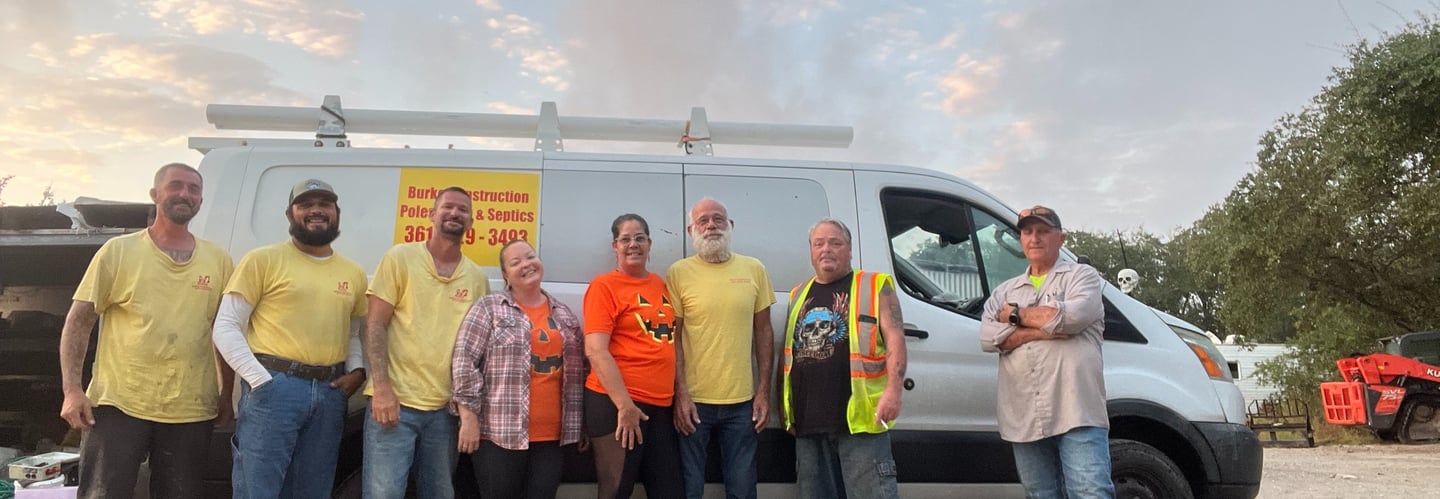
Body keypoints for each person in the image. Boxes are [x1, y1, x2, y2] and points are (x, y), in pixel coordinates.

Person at [58, 163, 233, 499]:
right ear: (155, 195)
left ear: (200, 200)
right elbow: (79, 321)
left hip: (191, 408)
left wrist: (226, 394)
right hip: (118, 405)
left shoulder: (218, 260)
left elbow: (221, 331)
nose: (185, 194)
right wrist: (72, 390)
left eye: (193, 189)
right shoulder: (119, 251)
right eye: (176, 186)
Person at [213, 178, 369, 499]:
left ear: (336, 213)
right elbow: (226, 326)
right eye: (306, 204)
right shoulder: (263, 260)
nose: (316, 210)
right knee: (259, 490)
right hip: (274, 388)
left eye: (324, 204)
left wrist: (356, 370)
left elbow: (352, 332)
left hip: (329, 392)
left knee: (313, 489)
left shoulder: (352, 273)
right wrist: (260, 380)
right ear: (289, 214)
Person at [362, 186, 489, 499]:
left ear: (471, 222)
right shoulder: (400, 258)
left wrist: (468, 409)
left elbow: (477, 352)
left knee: (439, 494)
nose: (454, 213)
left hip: (445, 412)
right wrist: (381, 388)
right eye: (447, 207)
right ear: (432, 214)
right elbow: (375, 325)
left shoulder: (476, 278)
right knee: (384, 494)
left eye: (463, 209)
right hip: (394, 404)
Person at [979, 205, 1113, 499]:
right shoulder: (1004, 291)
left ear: (1061, 239)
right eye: (1027, 232)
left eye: (1043, 231)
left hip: (1076, 410)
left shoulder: (1082, 277)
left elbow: (1074, 317)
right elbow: (988, 339)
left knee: (1090, 492)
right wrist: (1046, 326)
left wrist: (1014, 318)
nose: (1034, 238)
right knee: (1039, 494)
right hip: (1024, 415)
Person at [781, 217, 906, 499]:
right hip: (808, 423)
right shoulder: (798, 294)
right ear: (811, 251)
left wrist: (893, 392)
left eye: (835, 243)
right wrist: (786, 409)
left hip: (859, 421)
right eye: (819, 243)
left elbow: (896, 338)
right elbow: (789, 353)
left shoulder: (874, 286)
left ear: (850, 249)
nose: (826, 249)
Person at [452, 239, 586, 499]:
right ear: (505, 274)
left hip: (552, 437)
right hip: (499, 434)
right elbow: (464, 361)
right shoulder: (489, 308)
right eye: (516, 262)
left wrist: (581, 424)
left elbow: (580, 372)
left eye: (530, 257)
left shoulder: (564, 314)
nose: (526, 264)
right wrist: (467, 418)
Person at [666, 198, 775, 499]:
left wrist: (763, 391)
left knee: (742, 490)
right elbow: (672, 337)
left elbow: (764, 332)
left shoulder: (754, 269)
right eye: (703, 220)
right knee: (689, 490)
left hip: (742, 404)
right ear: (691, 229)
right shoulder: (678, 273)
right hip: (694, 403)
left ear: (731, 225)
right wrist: (681, 393)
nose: (711, 225)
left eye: (718, 218)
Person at [583, 214, 685, 499]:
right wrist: (624, 406)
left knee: (670, 491)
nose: (633, 244)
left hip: (660, 407)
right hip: (615, 404)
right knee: (616, 489)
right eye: (625, 239)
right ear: (614, 245)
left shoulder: (660, 285)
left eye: (639, 238)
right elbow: (595, 350)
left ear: (650, 243)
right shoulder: (605, 286)